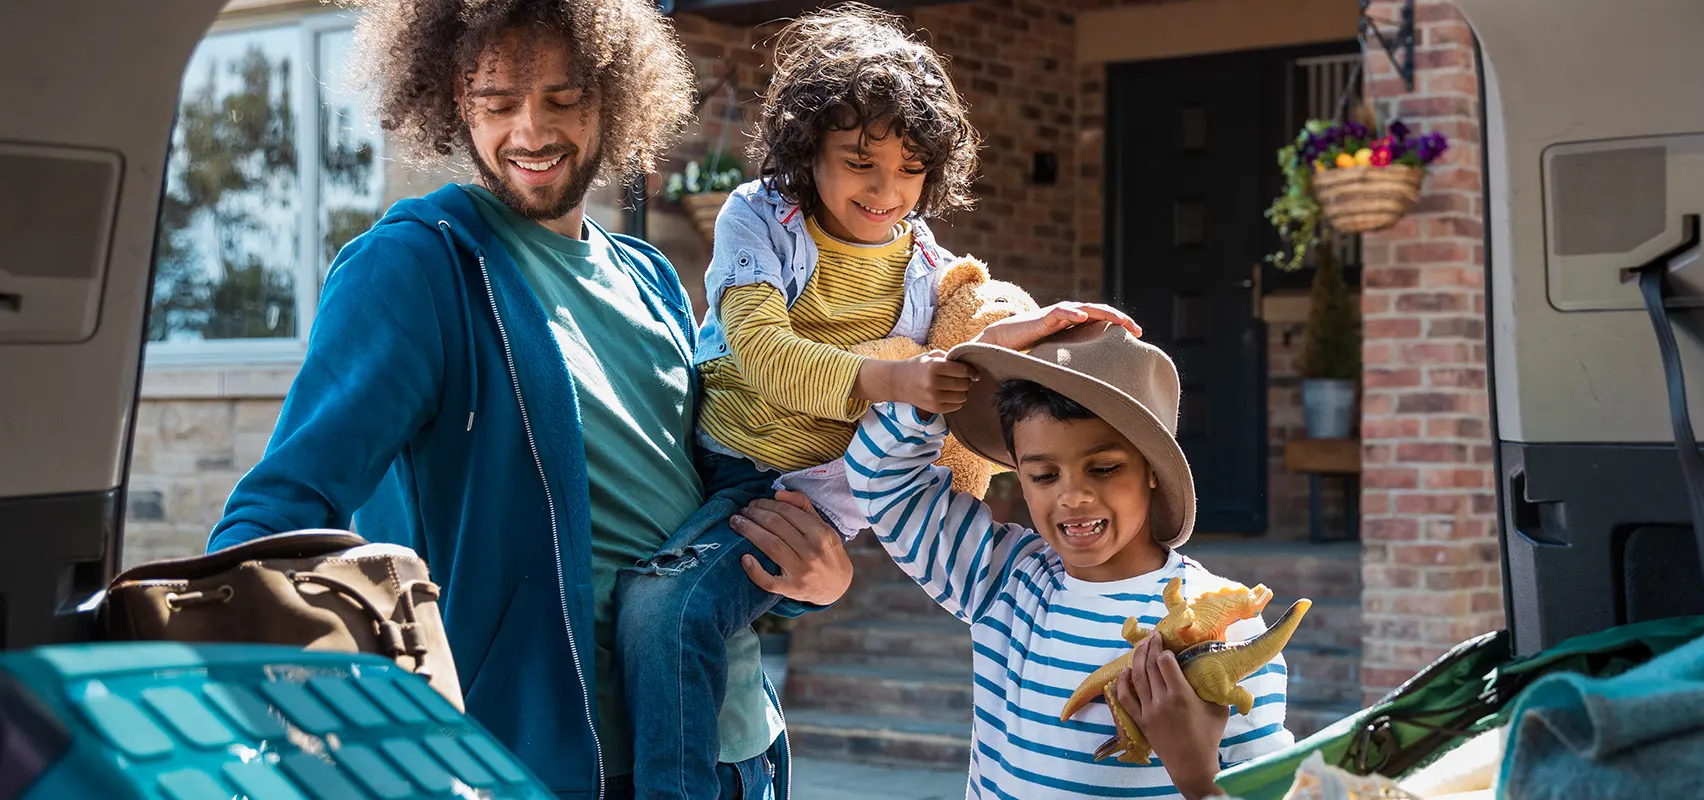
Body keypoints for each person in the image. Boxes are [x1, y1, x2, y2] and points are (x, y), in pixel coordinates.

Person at [202, 2, 849, 797]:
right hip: (559, 766)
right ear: (452, 99)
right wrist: (213, 676)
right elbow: (283, 506)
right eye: (497, 103)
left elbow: (712, 505)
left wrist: (815, 582)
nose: (532, 131)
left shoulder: (649, 281)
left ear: (613, 95)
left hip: (738, 746)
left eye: (564, 98)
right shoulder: (415, 270)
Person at [605, 7, 1087, 797]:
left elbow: (977, 317)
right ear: (807, 152)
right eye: (860, 160)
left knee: (669, 612)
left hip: (810, 499)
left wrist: (1028, 329)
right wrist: (891, 377)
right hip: (725, 456)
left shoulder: (926, 265)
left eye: (911, 167)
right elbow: (761, 353)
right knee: (659, 612)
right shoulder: (761, 216)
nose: (886, 190)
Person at [846, 321, 1297, 799]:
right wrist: (957, 374)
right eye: (1043, 474)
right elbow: (882, 482)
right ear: (1018, 474)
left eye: (1103, 468)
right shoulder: (1001, 577)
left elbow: (1277, 791)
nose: (1073, 496)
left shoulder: (1222, 623)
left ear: (1152, 470)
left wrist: (1196, 774)